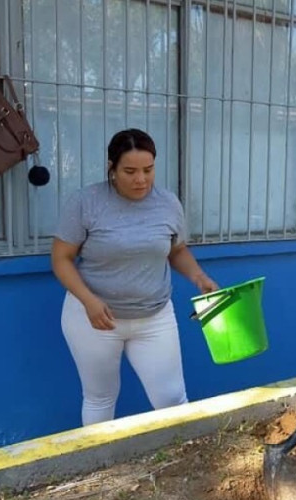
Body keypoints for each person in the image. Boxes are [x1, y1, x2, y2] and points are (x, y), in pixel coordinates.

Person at [52, 128, 218, 426]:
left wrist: (199, 277)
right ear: (111, 168)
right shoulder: (85, 203)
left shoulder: (168, 204)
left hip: (154, 317)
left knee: (172, 400)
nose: (141, 179)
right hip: (94, 319)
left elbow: (176, 250)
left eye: (148, 170)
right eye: (129, 171)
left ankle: (178, 467)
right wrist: (89, 301)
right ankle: (102, 468)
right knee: (100, 398)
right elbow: (61, 259)